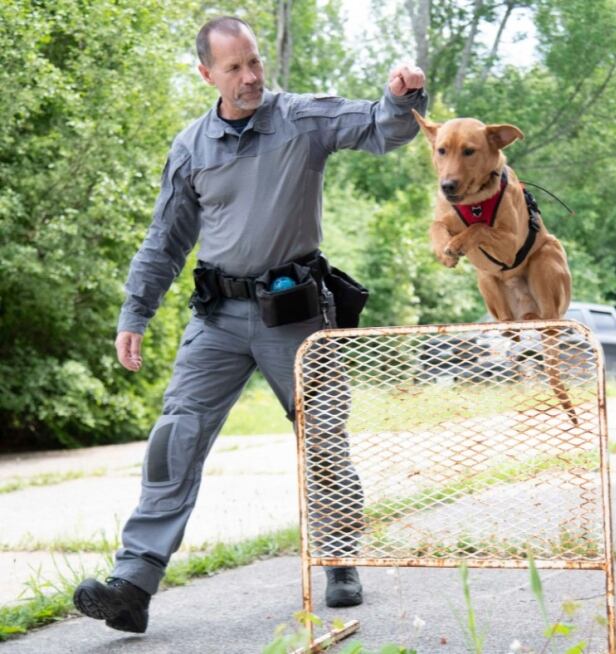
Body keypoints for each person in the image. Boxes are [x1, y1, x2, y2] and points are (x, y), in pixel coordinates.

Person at [72, 15, 427, 634]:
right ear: (206, 73)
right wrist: (136, 310)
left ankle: (340, 558)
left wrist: (403, 96)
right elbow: (165, 240)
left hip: (293, 313)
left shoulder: (301, 119)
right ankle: (133, 584)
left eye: (254, 62)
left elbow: (380, 126)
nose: (250, 77)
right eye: (234, 67)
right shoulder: (191, 146)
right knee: (174, 436)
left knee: (324, 436)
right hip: (216, 318)